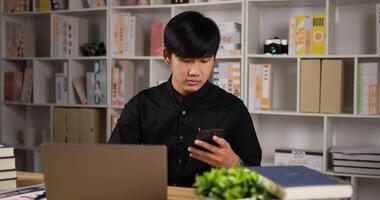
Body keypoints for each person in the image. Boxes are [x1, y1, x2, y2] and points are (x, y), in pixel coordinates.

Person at [108, 11, 261, 187]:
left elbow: (256, 180)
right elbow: (113, 163)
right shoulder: (141, 105)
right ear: (167, 56)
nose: (195, 72)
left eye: (204, 61)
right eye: (186, 60)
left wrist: (235, 164)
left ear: (213, 59)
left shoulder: (233, 109)